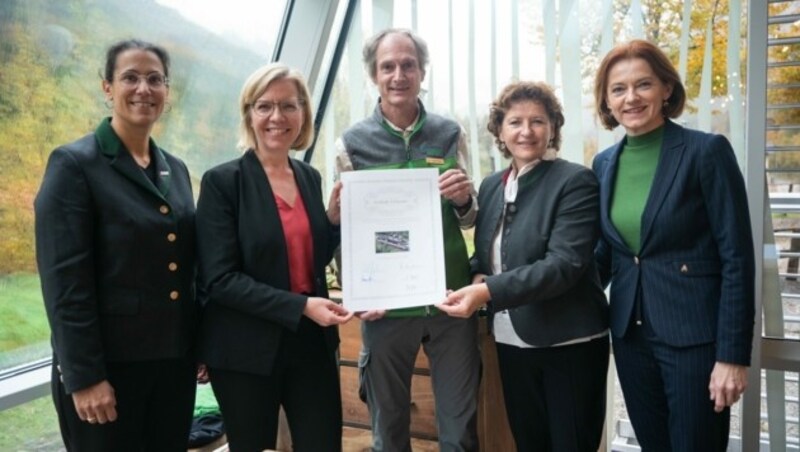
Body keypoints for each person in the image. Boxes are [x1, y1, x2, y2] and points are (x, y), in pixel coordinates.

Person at [592, 39, 756, 451]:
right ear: (607, 101)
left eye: (643, 84)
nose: (631, 98)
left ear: (666, 89)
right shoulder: (604, 164)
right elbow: (607, 256)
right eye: (618, 89)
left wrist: (733, 356)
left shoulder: (706, 152)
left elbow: (737, 258)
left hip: (695, 340)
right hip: (630, 338)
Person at [35, 39, 198, 451]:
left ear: (167, 91)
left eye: (155, 79)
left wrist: (198, 346)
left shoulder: (174, 170)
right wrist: (85, 377)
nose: (144, 89)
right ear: (107, 87)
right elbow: (65, 284)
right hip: (109, 374)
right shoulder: (74, 165)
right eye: (130, 77)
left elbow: (187, 267)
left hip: (172, 370)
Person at [437, 81, 610, 451]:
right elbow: (488, 257)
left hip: (569, 343)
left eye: (538, 121)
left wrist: (486, 290)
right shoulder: (492, 186)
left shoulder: (575, 181)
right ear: (500, 131)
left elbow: (564, 265)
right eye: (515, 122)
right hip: (512, 341)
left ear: (553, 128)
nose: (526, 131)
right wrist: (464, 276)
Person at [335, 28, 481, 451]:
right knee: (388, 425)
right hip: (384, 306)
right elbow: (349, 230)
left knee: (459, 425)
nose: (399, 74)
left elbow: (471, 220)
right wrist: (357, 292)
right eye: (388, 66)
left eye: (408, 64)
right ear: (374, 75)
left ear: (421, 70)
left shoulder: (450, 133)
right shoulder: (352, 144)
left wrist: (463, 199)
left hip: (449, 298)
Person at [196, 62, 352, 452]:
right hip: (245, 349)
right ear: (249, 114)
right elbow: (219, 279)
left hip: (311, 344)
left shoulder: (308, 177)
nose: (277, 117)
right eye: (264, 106)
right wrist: (300, 306)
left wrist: (330, 224)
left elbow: (302, 259)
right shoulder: (222, 182)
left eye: (288, 106)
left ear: (303, 114)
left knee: (323, 443)